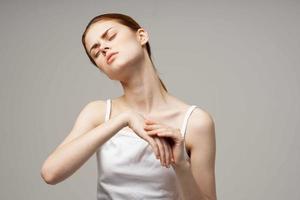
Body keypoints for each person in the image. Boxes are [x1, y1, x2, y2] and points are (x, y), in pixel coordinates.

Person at [41, 13, 217, 200]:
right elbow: (50, 173)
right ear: (102, 70)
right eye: (96, 52)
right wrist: (124, 119)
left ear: (141, 36)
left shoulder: (196, 122)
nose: (104, 48)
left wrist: (181, 166)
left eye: (110, 36)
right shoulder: (98, 113)